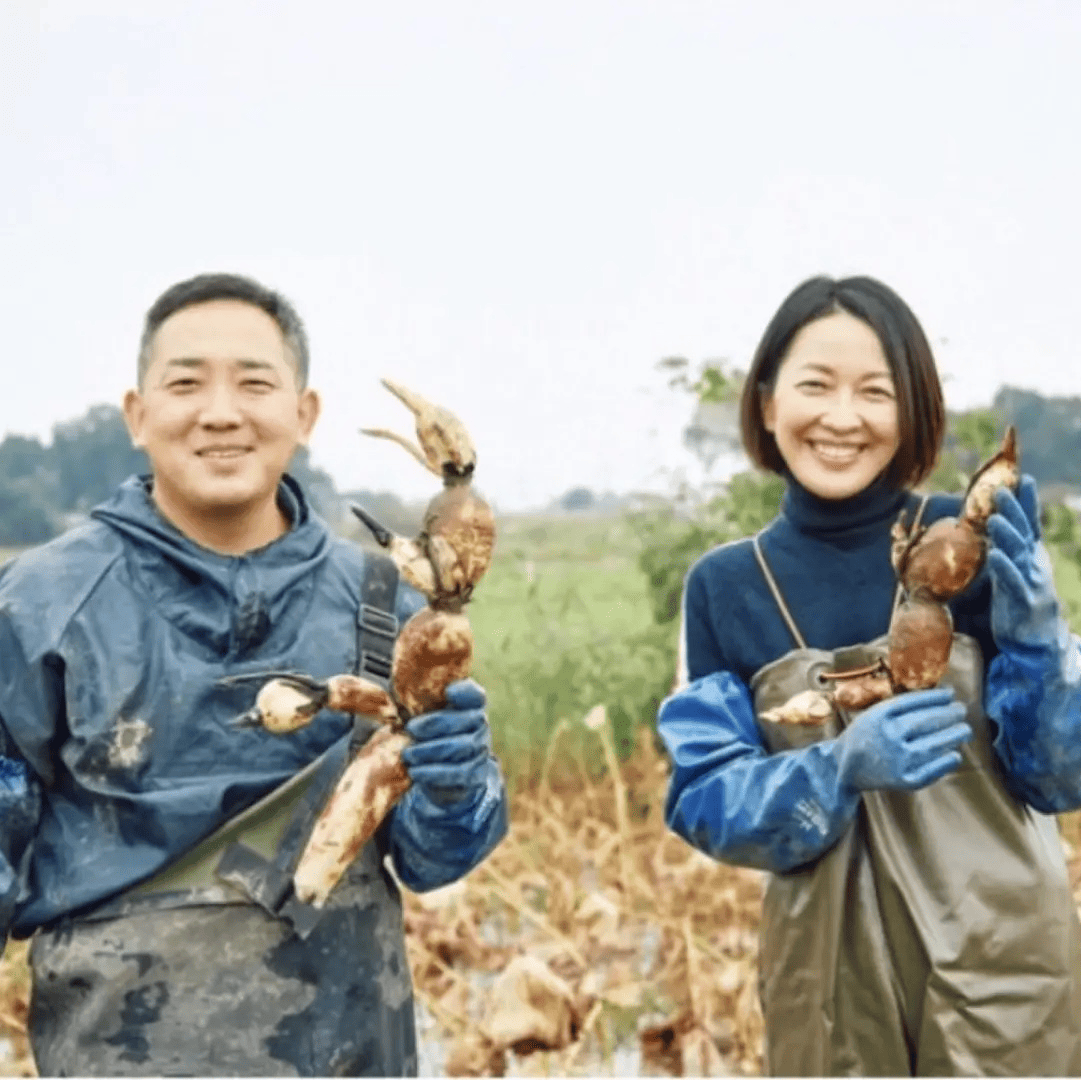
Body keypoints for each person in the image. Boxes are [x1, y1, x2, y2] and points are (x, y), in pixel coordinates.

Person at [0, 272, 508, 1076]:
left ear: (303, 415)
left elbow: (435, 857)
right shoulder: (39, 605)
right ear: (137, 416)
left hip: (349, 1050)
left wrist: (457, 785)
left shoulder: (383, 599)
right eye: (186, 382)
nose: (221, 411)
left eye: (255, 382)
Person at [657, 274, 1081, 1075]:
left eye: (874, 392)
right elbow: (703, 798)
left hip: (1001, 965)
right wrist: (835, 767)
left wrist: (1039, 637)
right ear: (765, 402)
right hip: (825, 983)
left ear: (912, 409)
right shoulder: (724, 585)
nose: (842, 418)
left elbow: (1061, 776)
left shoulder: (975, 539)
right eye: (814, 385)